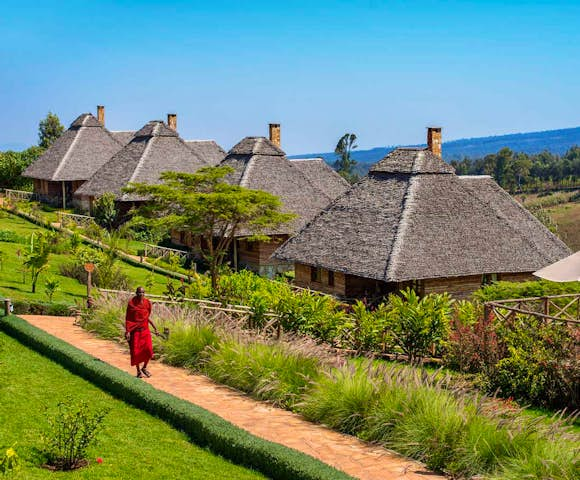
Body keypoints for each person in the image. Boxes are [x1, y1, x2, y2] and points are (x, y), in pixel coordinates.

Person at [125, 286, 158, 378]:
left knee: (148, 350)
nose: (141, 294)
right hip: (135, 332)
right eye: (139, 292)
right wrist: (127, 331)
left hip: (145, 331)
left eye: (143, 293)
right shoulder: (131, 304)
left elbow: (146, 317)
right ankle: (138, 371)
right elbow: (128, 318)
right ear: (136, 293)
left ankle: (144, 367)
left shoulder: (147, 303)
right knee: (136, 352)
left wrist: (155, 328)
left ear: (144, 293)